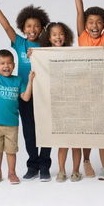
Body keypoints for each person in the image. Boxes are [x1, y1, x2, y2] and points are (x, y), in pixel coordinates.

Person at [0, 0, 52, 181]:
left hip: (44, 93)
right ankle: (33, 165)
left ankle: (45, 165)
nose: (32, 29)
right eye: (29, 26)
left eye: (36, 25)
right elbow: (6, 25)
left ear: (42, 28)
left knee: (46, 129)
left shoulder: (47, 44)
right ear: (23, 27)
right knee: (29, 131)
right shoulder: (20, 43)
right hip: (24, 93)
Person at [0, 33, 34, 184]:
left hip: (11, 124)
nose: (6, 66)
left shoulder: (18, 80)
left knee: (11, 151)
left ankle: (11, 173)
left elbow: (26, 97)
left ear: (14, 65)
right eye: (2, 63)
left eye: (9, 63)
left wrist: (29, 81)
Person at [73, 0, 104, 180]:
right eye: (91, 22)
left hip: (103, 88)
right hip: (83, 87)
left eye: (99, 22)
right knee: (86, 126)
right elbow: (80, 11)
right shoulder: (82, 36)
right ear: (86, 25)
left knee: (103, 126)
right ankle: (86, 161)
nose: (95, 25)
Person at [38, 22, 82, 182]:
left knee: (77, 142)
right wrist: (33, 54)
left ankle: (76, 171)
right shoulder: (44, 54)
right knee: (63, 142)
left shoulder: (72, 52)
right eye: (54, 34)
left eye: (61, 33)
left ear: (66, 35)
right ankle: (62, 170)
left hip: (75, 102)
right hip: (59, 104)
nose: (58, 37)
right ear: (49, 38)